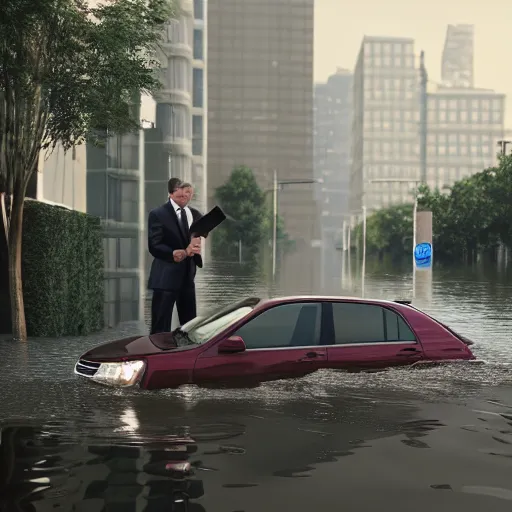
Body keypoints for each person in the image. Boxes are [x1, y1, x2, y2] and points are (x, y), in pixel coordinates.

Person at [147, 178, 204, 334]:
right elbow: (154, 245)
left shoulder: (195, 214)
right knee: (160, 328)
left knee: (190, 327)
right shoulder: (157, 214)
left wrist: (196, 244)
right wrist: (173, 253)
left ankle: (187, 356)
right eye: (181, 195)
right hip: (165, 279)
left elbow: (199, 234)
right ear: (171, 193)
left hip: (187, 278)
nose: (185, 197)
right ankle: (157, 356)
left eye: (187, 195)